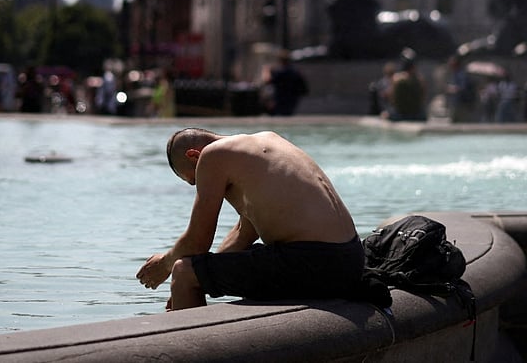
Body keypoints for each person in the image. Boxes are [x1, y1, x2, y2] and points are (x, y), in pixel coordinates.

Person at [136, 128, 364, 311]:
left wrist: (166, 265)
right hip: (350, 259)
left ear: (194, 156)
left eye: (193, 181)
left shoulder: (212, 156)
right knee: (195, 274)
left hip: (314, 262)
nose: (199, 184)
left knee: (183, 271)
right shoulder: (266, 142)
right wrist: (202, 282)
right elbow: (242, 235)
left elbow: (197, 243)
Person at [262, 50, 309, 116]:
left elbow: (267, 81)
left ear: (280, 61)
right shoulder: (295, 72)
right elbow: (303, 87)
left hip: (280, 100)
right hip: (292, 100)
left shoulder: (279, 72)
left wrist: (266, 70)